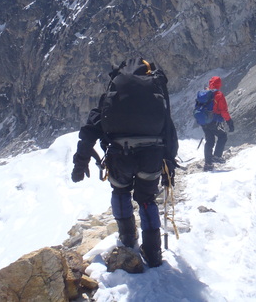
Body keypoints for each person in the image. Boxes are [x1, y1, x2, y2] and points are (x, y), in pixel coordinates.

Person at [70, 58, 178, 268]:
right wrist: (169, 164)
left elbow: (91, 129)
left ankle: (128, 240)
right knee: (147, 199)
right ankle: (153, 252)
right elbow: (169, 132)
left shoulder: (113, 95)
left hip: (120, 155)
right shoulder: (156, 95)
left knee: (120, 193)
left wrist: (80, 163)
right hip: (151, 156)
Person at [201, 76, 234, 171]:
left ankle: (208, 164)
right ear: (219, 84)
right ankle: (217, 156)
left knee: (209, 141)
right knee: (222, 136)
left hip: (203, 121)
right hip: (214, 121)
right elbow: (223, 110)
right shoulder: (218, 95)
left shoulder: (204, 93)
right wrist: (229, 121)